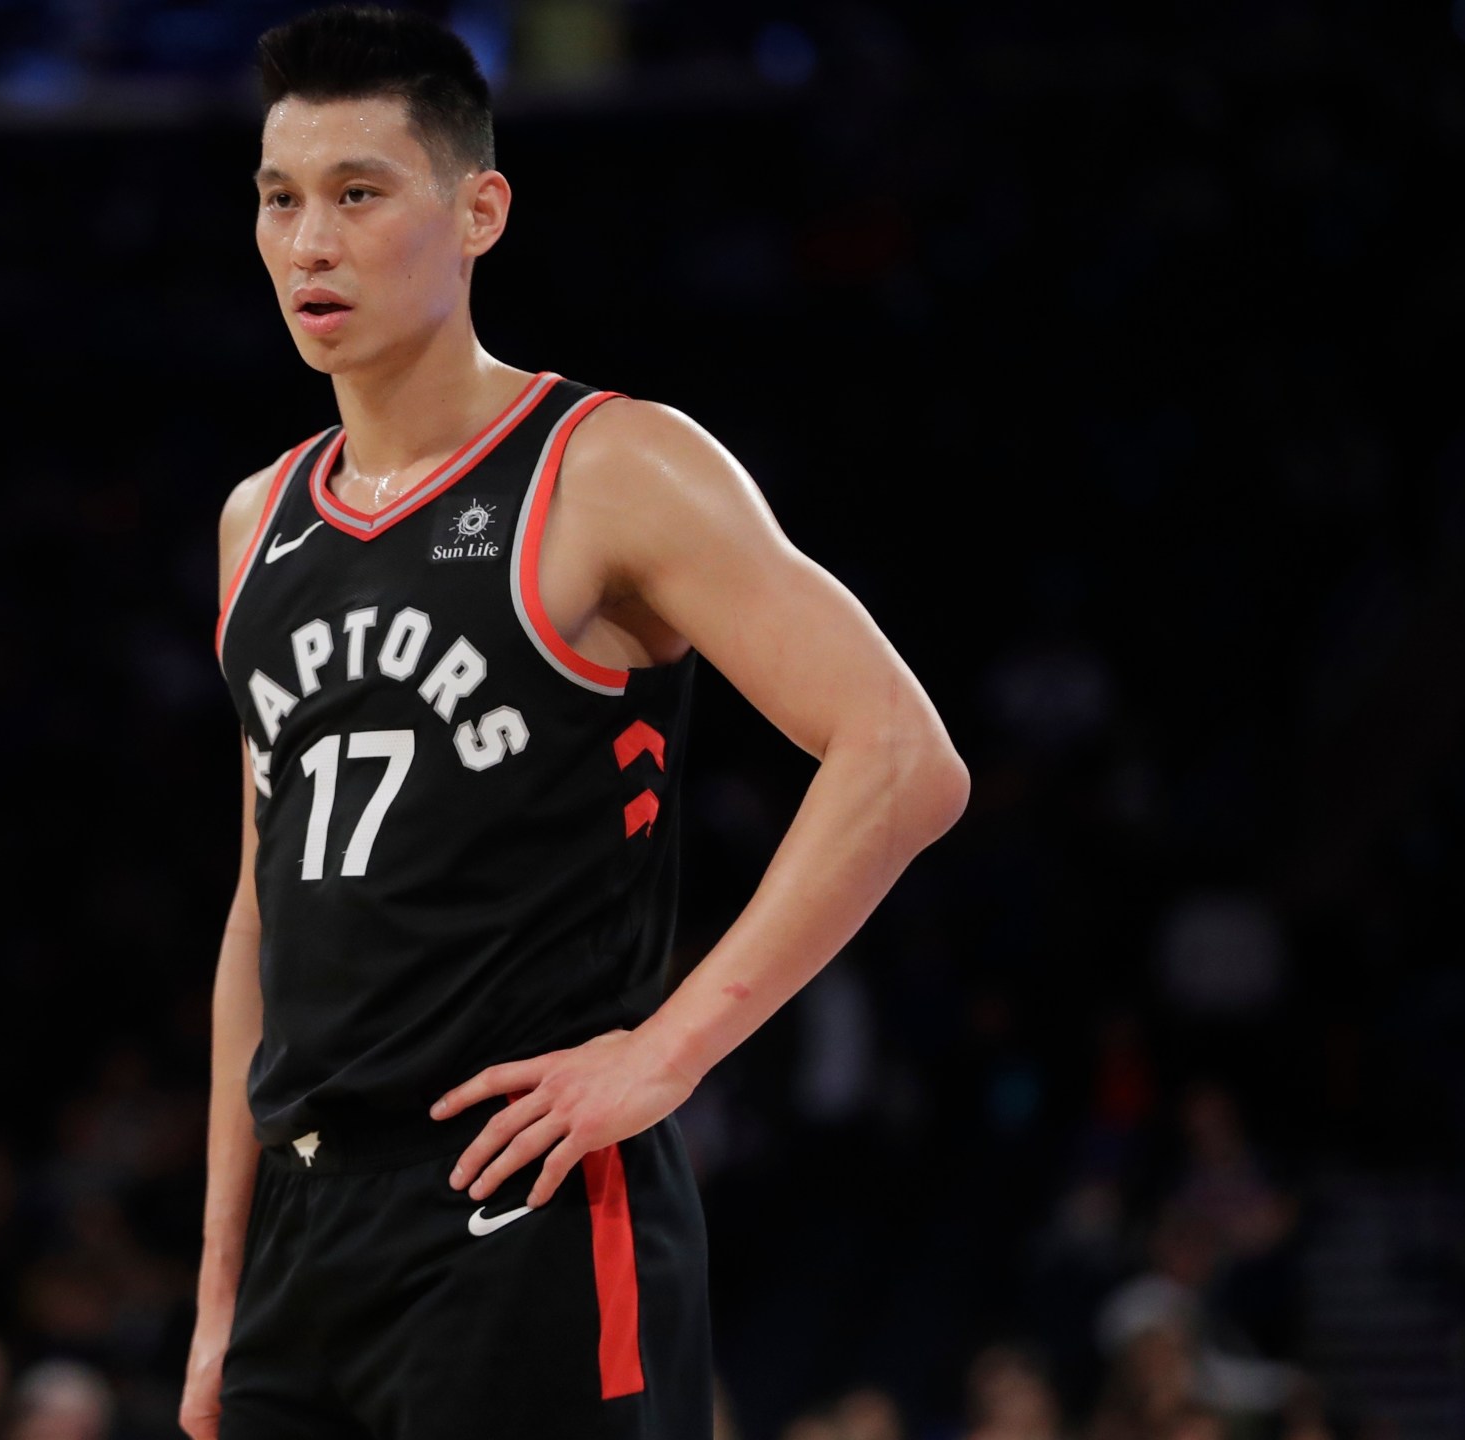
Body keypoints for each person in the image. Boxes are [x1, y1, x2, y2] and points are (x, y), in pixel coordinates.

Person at [185, 6, 971, 1438]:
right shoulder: (258, 520)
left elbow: (904, 759)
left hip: (525, 1201)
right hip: (307, 1233)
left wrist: (663, 1055)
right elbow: (259, 914)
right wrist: (220, 1287)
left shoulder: (612, 467)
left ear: (477, 209)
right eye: (279, 198)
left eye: (359, 193)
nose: (309, 243)